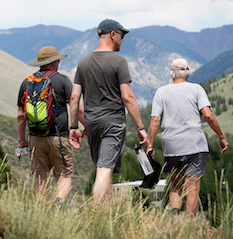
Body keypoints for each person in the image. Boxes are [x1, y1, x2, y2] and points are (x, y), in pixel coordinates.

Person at [70, 19, 148, 206]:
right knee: (104, 170)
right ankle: (97, 215)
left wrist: (74, 126)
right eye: (121, 35)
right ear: (113, 34)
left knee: (104, 168)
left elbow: (74, 98)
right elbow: (128, 97)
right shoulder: (119, 62)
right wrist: (140, 127)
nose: (122, 40)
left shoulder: (84, 62)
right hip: (112, 124)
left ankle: (107, 214)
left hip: (92, 125)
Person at [146, 58, 228, 217]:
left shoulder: (161, 92)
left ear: (171, 74)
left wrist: (150, 146)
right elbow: (208, 115)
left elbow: (155, 120)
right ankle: (190, 226)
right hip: (194, 145)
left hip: (171, 147)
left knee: (175, 185)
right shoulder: (197, 89)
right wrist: (221, 136)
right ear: (188, 72)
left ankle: (175, 221)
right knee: (192, 188)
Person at [17, 46, 84, 202]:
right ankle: (58, 201)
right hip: (59, 138)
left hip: (35, 138)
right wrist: (85, 126)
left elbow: (21, 116)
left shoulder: (27, 82)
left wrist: (22, 142)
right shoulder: (62, 80)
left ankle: (41, 212)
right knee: (65, 175)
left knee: (40, 177)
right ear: (55, 62)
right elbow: (77, 106)